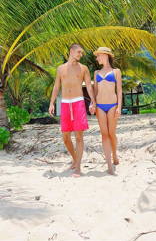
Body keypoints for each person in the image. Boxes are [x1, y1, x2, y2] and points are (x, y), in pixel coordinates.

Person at [49, 44, 96, 177]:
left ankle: (78, 168)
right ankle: (75, 159)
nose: (81, 55)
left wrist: (93, 101)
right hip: (64, 103)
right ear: (71, 51)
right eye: (79, 52)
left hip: (78, 103)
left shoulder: (84, 69)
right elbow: (56, 87)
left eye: (82, 53)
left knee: (79, 137)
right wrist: (52, 103)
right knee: (65, 137)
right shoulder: (60, 69)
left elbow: (89, 86)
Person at [93, 47, 122, 175]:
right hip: (100, 106)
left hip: (112, 105)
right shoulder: (96, 72)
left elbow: (119, 90)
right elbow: (95, 92)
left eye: (98, 55)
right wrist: (92, 104)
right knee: (104, 134)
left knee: (111, 133)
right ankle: (109, 165)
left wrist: (119, 107)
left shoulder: (116, 71)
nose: (97, 58)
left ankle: (115, 154)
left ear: (105, 55)